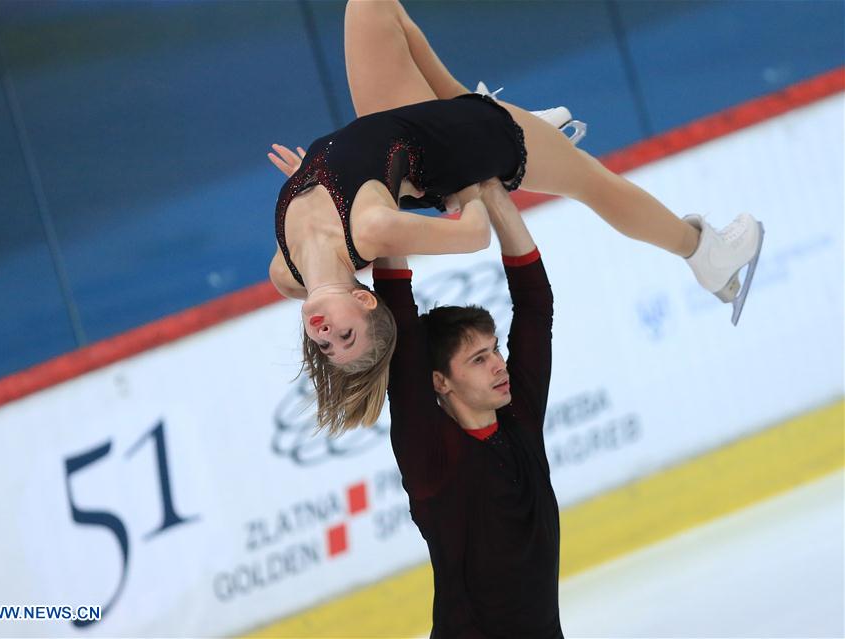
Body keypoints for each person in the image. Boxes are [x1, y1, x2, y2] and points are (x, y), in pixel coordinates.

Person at [267, 0, 764, 434]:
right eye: (345, 335)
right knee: (594, 184)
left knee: (371, 8)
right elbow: (475, 234)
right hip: (459, 150)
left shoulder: (287, 274)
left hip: (397, 134)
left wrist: (308, 178)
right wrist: (469, 187)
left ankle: (491, 108)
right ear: (364, 299)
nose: (325, 331)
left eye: (326, 345)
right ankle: (703, 253)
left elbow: (303, 282)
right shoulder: (373, 228)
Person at [374, 177, 562, 638]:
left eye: (495, 351)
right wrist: (379, 201)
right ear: (440, 381)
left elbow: (536, 306)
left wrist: (489, 188)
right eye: (479, 360)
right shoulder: (431, 459)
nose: (500, 366)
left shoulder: (518, 416)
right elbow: (398, 314)